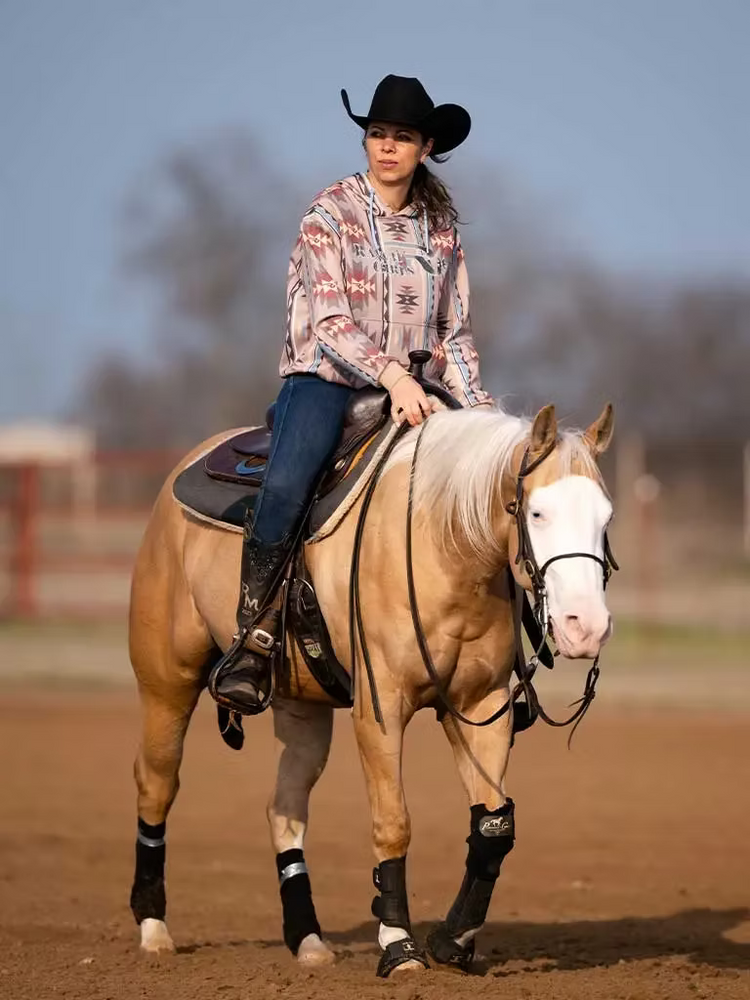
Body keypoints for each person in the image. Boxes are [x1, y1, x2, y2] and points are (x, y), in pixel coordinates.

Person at [209, 74, 494, 714]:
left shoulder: (441, 230)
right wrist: (393, 377)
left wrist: (480, 414)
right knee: (288, 484)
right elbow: (332, 321)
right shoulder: (328, 213)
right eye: (378, 134)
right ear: (366, 141)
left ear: (425, 148)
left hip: (420, 389)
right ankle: (253, 637)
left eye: (403, 137)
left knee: (489, 490)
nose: (388, 146)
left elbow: (454, 332)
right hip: (326, 380)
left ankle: (505, 653)